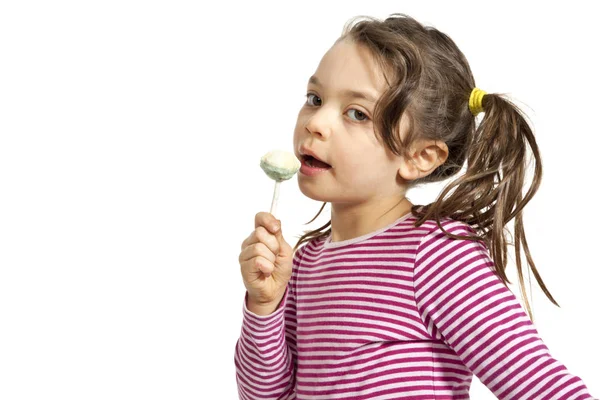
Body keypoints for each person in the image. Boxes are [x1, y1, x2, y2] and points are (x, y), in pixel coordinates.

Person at [235, 13, 597, 399]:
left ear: (421, 156)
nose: (316, 122)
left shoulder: (437, 254)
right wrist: (264, 305)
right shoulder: (305, 262)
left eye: (357, 113)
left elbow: (540, 386)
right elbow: (267, 396)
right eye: (315, 99)